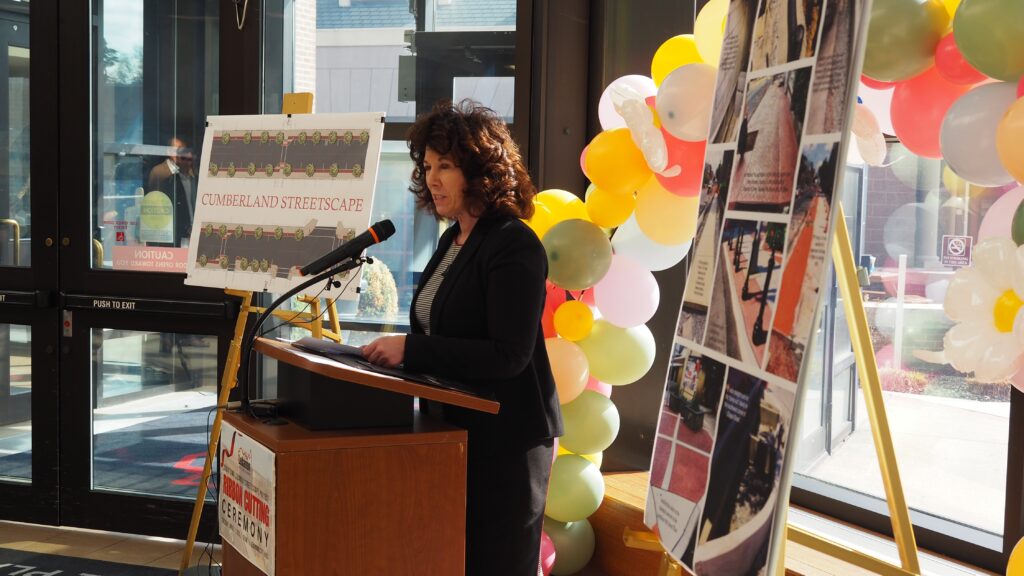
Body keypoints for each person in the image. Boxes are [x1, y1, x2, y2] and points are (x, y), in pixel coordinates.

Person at [363, 99, 562, 575]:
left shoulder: (513, 243)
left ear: (481, 169)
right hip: (452, 434)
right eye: (427, 166)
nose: (431, 178)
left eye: (446, 166)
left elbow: (509, 355)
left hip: (504, 444)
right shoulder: (453, 240)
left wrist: (411, 350)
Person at [147, 137, 196, 246]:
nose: (180, 154)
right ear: (168, 151)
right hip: (169, 227)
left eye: (183, 150)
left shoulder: (190, 176)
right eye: (177, 150)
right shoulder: (160, 173)